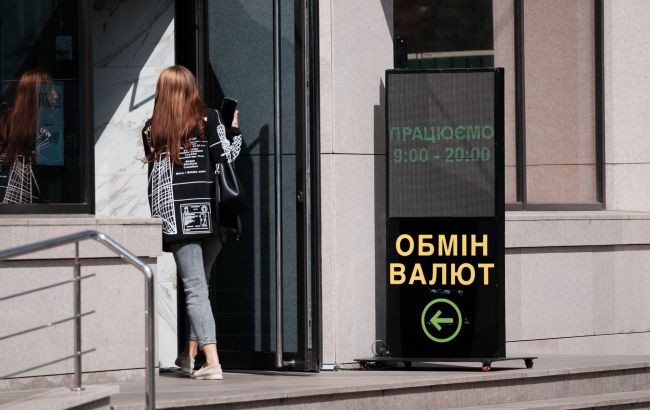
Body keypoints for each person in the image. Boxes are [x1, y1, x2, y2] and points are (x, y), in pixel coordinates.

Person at [142, 65, 242, 380]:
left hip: (178, 219)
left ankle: (205, 359)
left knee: (196, 286)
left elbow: (156, 176)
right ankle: (197, 357)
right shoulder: (209, 118)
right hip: (212, 216)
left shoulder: (151, 130)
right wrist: (234, 131)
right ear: (190, 89)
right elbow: (227, 157)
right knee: (200, 285)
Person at [0, 70, 57, 203]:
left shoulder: (4, 122)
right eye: (50, 90)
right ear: (37, 94)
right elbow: (53, 175)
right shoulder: (46, 130)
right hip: (32, 204)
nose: (55, 95)